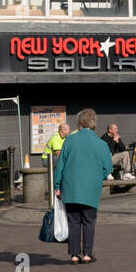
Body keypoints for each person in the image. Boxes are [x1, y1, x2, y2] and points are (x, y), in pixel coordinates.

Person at [53, 108, 112, 263]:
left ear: (79, 123)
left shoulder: (69, 140)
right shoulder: (101, 144)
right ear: (93, 123)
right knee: (89, 221)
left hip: (70, 188)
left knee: (73, 222)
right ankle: (87, 254)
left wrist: (57, 186)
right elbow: (108, 168)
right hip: (91, 189)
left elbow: (60, 166)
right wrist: (97, 176)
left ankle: (73, 254)